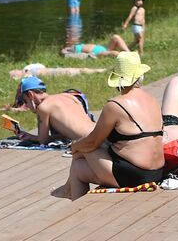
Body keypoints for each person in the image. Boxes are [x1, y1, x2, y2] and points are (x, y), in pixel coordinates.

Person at [62, 52, 165, 197]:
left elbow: (92, 142)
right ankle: (69, 190)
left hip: (134, 175)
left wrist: (74, 146)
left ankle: (69, 191)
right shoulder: (152, 100)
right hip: (157, 172)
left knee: (84, 147)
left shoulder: (116, 105)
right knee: (79, 168)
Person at [12, 76, 96, 144]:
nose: (26, 105)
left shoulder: (44, 107)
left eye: (25, 101)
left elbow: (43, 140)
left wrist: (31, 137)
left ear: (30, 94)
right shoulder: (69, 96)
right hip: (100, 131)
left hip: (89, 140)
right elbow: (73, 130)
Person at [64, 33, 130, 58]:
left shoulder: (76, 47)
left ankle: (130, 53)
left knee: (116, 37)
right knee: (113, 53)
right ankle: (126, 57)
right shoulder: (75, 51)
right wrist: (65, 50)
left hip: (104, 48)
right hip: (97, 53)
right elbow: (64, 53)